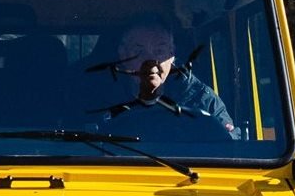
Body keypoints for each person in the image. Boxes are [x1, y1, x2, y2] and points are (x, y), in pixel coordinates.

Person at [98, 16, 237, 138]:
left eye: (159, 51)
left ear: (172, 56)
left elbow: (231, 147)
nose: (150, 61)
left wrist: (227, 137)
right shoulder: (97, 96)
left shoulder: (201, 98)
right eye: (139, 51)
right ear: (123, 55)